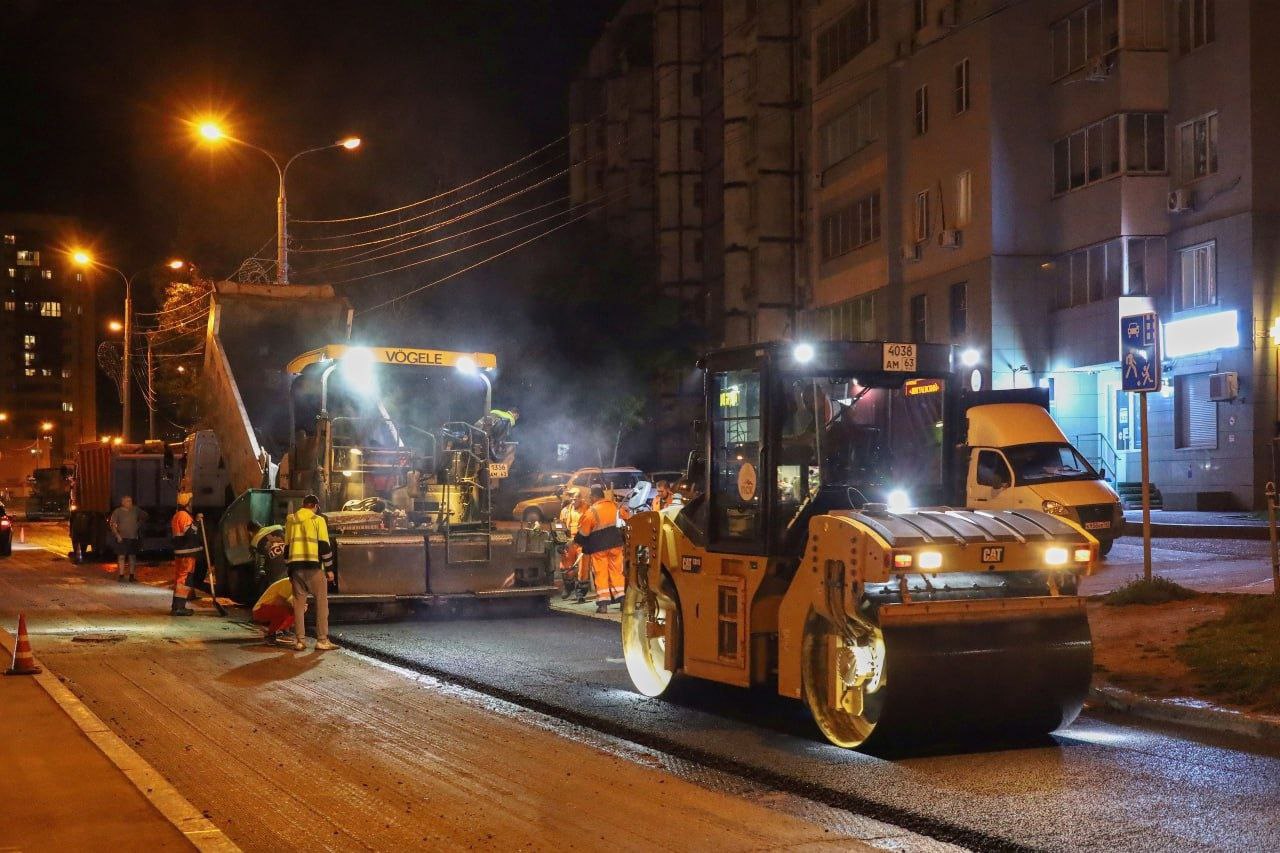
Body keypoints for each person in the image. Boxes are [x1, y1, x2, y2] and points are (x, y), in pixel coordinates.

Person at [284, 494, 338, 651]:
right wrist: (329, 570)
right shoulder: (317, 520)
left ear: (303, 505)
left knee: (299, 606)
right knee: (321, 604)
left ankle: (300, 641)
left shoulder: (290, 521)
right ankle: (322, 640)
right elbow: (324, 547)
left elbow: (286, 549)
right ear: (315, 506)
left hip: (295, 569)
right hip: (313, 568)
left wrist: (289, 570)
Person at [574, 484, 627, 614]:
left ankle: (603, 605)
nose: (590, 500)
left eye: (590, 497)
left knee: (601, 574)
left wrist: (577, 542)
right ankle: (623, 601)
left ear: (594, 497)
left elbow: (583, 534)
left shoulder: (592, 511)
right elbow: (627, 520)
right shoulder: (615, 506)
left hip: (600, 549)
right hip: (616, 545)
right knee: (617, 573)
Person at [169, 494, 202, 616]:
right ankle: (179, 607)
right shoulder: (184, 516)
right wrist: (197, 521)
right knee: (184, 580)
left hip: (181, 552)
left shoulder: (177, 515)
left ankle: (176, 606)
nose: (192, 504)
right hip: (186, 553)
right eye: (191, 502)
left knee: (179, 579)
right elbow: (189, 533)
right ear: (187, 503)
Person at [108, 495, 147, 582]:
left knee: (132, 557)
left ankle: (131, 576)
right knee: (121, 556)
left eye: (130, 501)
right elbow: (112, 524)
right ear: (122, 502)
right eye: (127, 501)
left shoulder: (135, 510)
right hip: (122, 538)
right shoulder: (117, 512)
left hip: (133, 537)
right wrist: (117, 535)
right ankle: (121, 575)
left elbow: (145, 516)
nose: (130, 502)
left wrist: (139, 524)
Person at [557, 488, 586, 600]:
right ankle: (568, 587)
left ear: (580, 498)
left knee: (582, 568)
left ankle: (580, 593)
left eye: (575, 498)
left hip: (582, 542)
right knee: (565, 566)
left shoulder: (587, 509)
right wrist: (560, 543)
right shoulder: (565, 511)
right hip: (569, 542)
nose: (573, 500)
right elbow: (560, 528)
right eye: (571, 498)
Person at [251, 577, 296, 644]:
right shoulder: (289, 582)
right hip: (260, 610)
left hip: (270, 609)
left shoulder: (297, 584)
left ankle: (280, 632)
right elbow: (279, 602)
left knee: (296, 610)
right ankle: (271, 635)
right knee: (286, 610)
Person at [248, 520, 288, 587]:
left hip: (277, 574)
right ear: (261, 525)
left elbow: (258, 563)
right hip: (293, 565)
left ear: (251, 533)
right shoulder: (278, 527)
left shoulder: (254, 543)